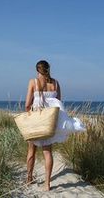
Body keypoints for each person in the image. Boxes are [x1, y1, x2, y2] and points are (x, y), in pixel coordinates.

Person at [25, 60, 86, 191]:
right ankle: (47, 184)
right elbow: (58, 104)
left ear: (37, 70)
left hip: (36, 121)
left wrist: (32, 112)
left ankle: (29, 178)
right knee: (47, 152)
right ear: (48, 69)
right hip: (50, 122)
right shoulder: (56, 83)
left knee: (31, 150)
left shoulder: (33, 82)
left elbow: (27, 105)